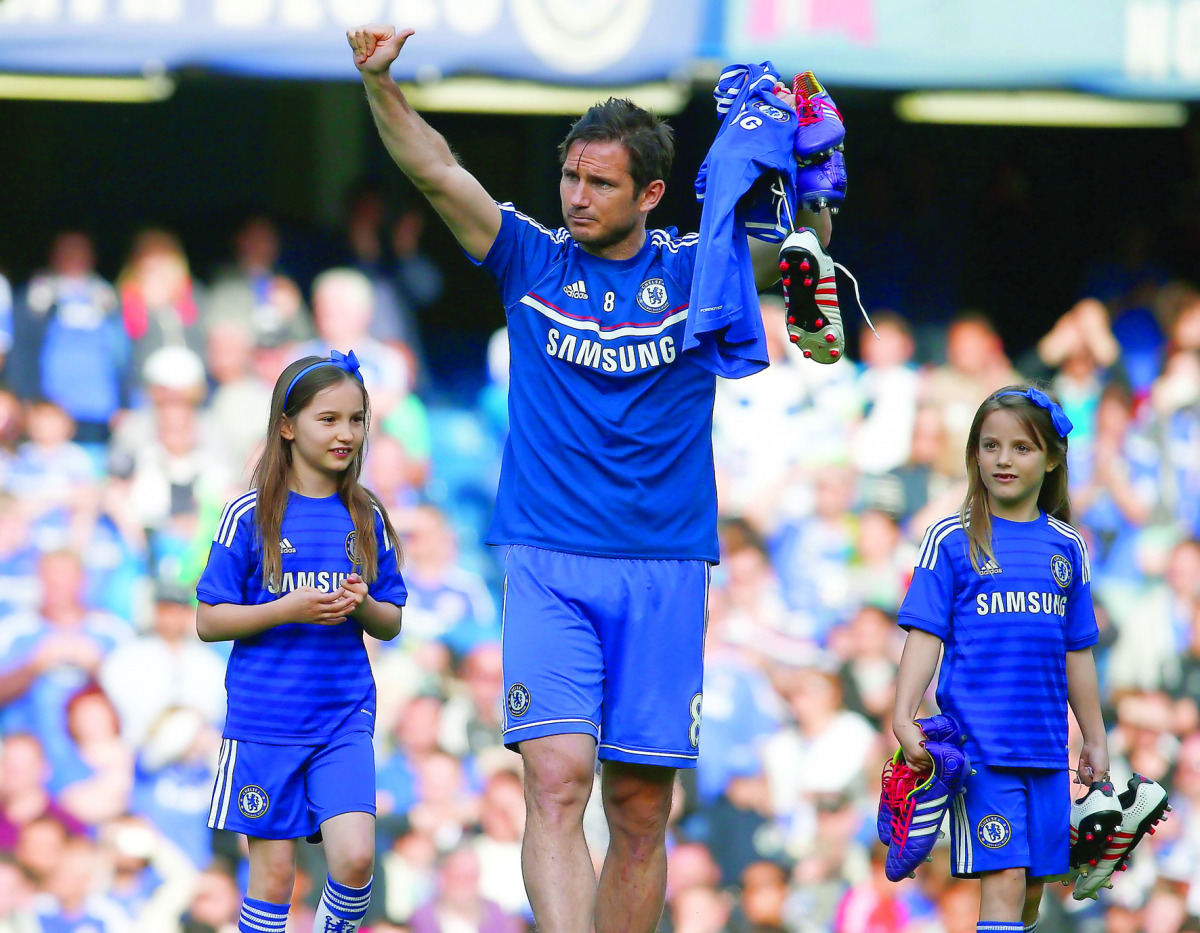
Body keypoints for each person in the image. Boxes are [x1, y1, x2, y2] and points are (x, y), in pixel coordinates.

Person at [347, 22, 835, 933]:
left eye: (600, 182)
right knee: (556, 778)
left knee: (641, 812)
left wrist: (806, 174)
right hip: (547, 560)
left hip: (663, 565)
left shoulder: (701, 272)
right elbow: (438, 171)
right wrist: (380, 85)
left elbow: (802, 261)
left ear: (651, 192)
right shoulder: (528, 257)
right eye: (570, 176)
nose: (576, 195)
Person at [194, 350, 408, 933]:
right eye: (329, 418)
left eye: (357, 419)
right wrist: (285, 608)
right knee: (272, 880)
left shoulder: (365, 515)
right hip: (265, 721)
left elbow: (390, 619)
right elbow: (208, 619)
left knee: (357, 858)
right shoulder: (249, 513)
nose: (346, 433)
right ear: (286, 426)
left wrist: (362, 604)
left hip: (343, 717)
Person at [891, 385, 1108, 933]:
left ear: (1053, 458)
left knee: (1035, 888)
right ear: (974, 455)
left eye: (1021, 447)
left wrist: (1095, 736)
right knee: (1006, 881)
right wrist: (902, 715)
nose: (1004, 459)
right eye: (991, 446)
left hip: (1046, 748)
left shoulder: (1067, 546)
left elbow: (1077, 652)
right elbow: (923, 635)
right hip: (980, 748)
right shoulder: (950, 538)